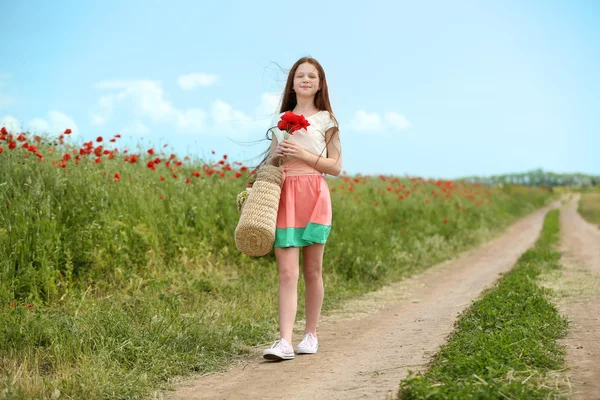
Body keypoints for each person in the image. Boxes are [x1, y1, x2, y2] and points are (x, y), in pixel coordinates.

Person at [261, 57, 342, 361]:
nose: (305, 80)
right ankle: (284, 341)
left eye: (312, 76)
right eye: (300, 76)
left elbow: (336, 167)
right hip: (285, 195)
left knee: (312, 270)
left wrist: (304, 154)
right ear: (292, 83)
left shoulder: (327, 120)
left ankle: (311, 334)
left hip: (314, 193)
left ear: (320, 84)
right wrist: (277, 156)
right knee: (286, 272)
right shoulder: (281, 120)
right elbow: (270, 164)